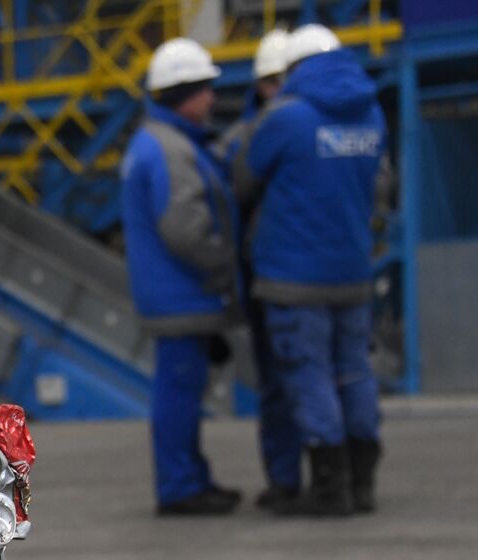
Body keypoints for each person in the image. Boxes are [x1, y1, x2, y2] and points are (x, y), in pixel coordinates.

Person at [234, 25, 386, 516]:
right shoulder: (372, 115)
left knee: (309, 374)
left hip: (294, 275)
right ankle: (362, 483)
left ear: (294, 69)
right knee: (354, 371)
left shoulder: (286, 117)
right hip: (353, 270)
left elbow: (244, 177)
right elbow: (381, 187)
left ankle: (328, 488)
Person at [121, 38, 243, 516]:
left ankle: (190, 478)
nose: (212, 98)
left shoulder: (158, 141)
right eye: (205, 89)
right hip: (183, 296)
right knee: (179, 396)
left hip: (174, 294)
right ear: (183, 93)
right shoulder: (169, 149)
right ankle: (180, 488)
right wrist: (225, 267)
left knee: (183, 394)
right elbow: (186, 228)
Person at [216, 29, 303, 512]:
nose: (280, 89)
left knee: (307, 383)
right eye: (274, 81)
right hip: (266, 280)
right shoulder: (244, 138)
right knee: (280, 385)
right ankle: (292, 480)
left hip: (283, 276)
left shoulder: (245, 138)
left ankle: (316, 481)